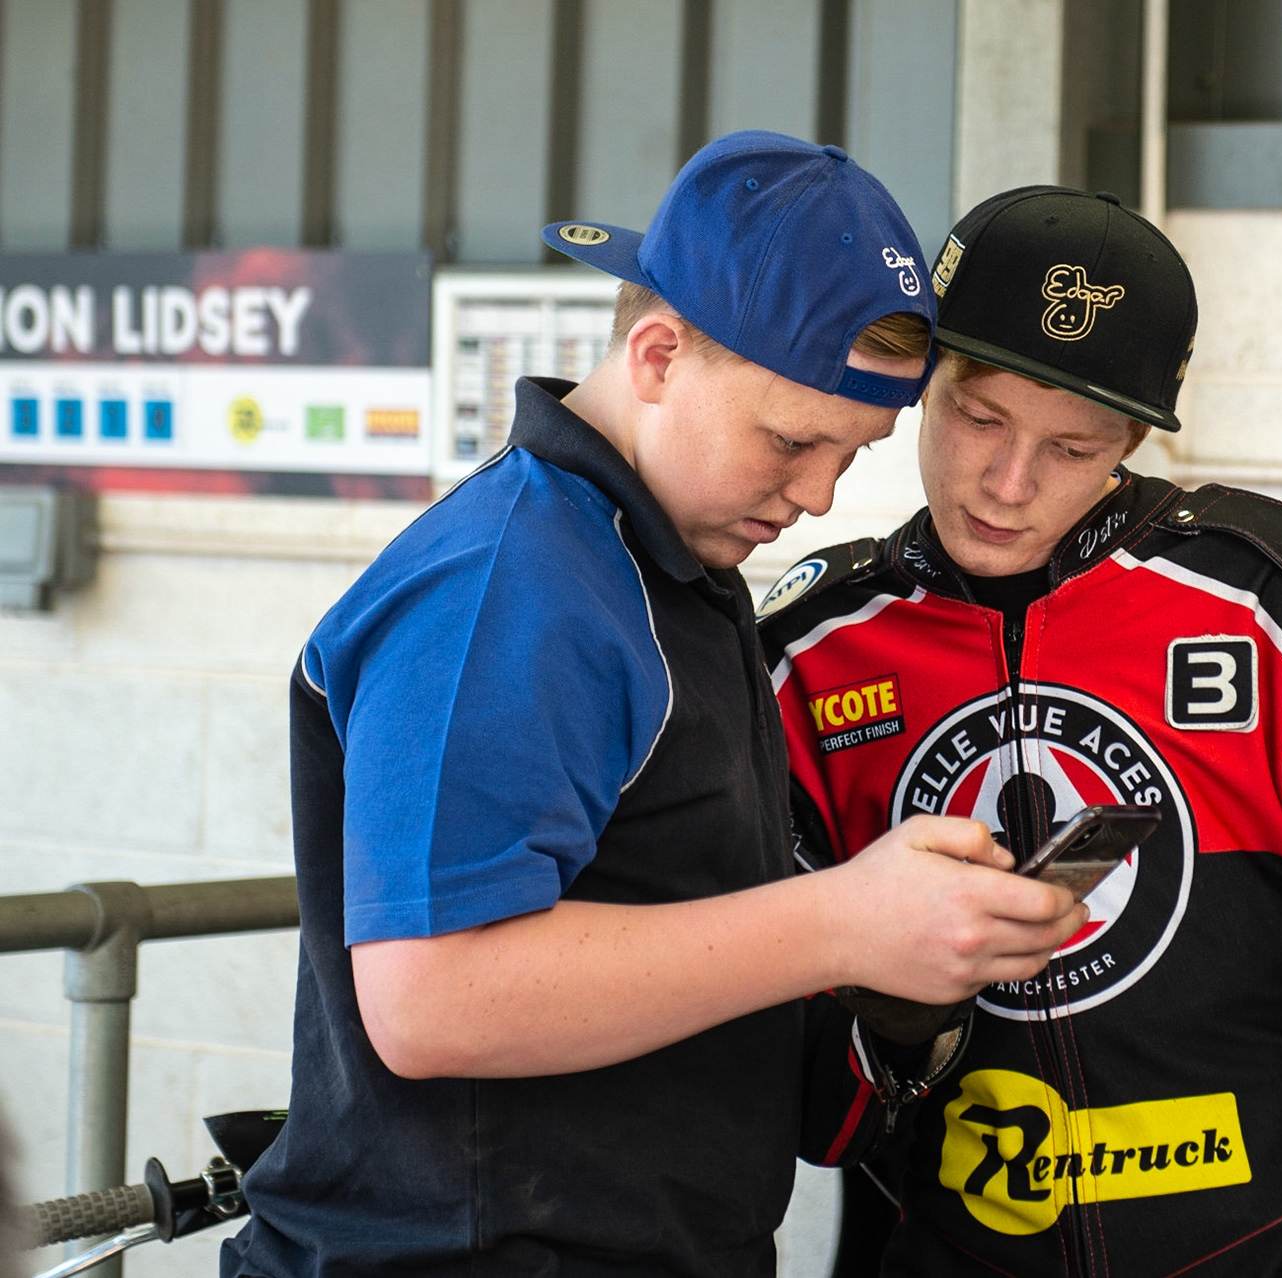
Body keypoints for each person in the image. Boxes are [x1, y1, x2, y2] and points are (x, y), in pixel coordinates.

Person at [222, 133, 1085, 1278]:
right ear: (659, 354)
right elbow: (431, 996)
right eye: (790, 441)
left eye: (853, 453)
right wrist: (842, 919)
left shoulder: (664, 570)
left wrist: (894, 970)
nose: (819, 496)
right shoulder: (509, 586)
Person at [758, 187, 1282, 1277]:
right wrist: (890, 1021)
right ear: (923, 384)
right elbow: (800, 1103)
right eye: (979, 417)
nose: (1008, 483)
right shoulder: (807, 648)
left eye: (1072, 446)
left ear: (1133, 438)